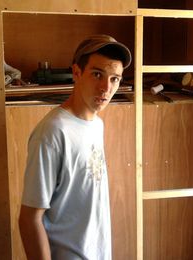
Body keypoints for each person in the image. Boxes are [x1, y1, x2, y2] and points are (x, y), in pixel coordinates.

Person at [18, 34, 132, 260]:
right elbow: (30, 219)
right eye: (97, 74)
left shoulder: (96, 124)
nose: (105, 88)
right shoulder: (52, 132)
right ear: (77, 73)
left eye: (114, 79)